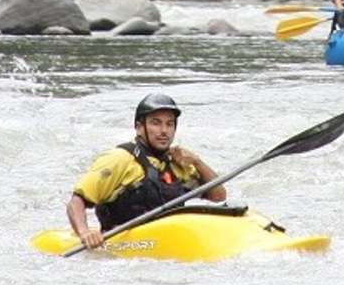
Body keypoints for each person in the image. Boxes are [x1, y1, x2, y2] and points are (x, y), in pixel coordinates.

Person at [65, 94, 224, 250]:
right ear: (139, 127)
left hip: (168, 243)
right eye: (156, 123)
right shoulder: (119, 159)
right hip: (126, 245)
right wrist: (85, 233)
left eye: (170, 124)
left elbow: (218, 196)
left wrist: (198, 162)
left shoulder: (178, 163)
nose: (164, 131)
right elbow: (76, 201)